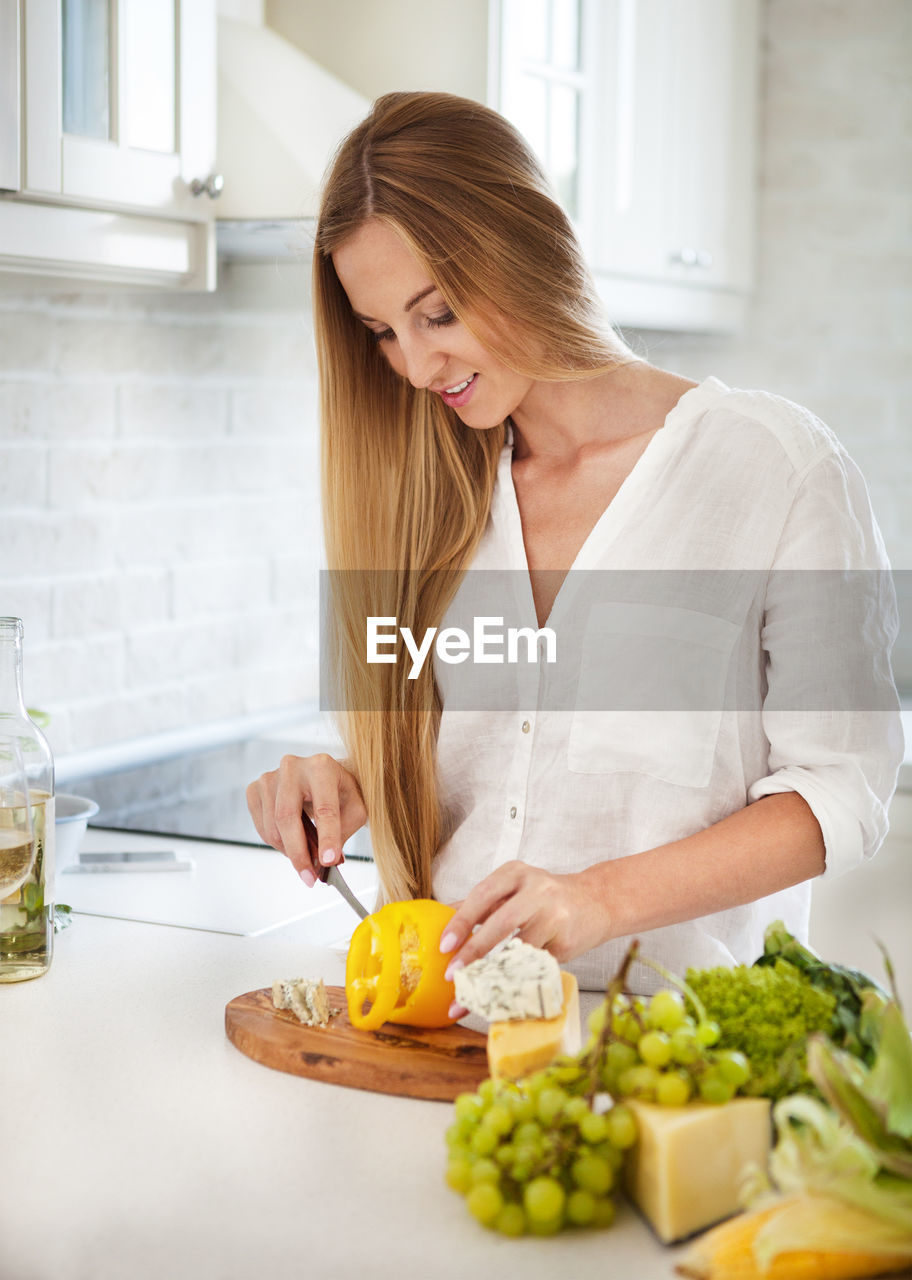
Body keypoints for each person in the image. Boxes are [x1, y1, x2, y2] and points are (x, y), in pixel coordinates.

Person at [246, 91, 903, 997]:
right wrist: (355, 780)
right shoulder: (434, 497)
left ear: (527, 243)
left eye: (436, 313)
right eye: (383, 333)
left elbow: (844, 790)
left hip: (680, 1056)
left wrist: (598, 899)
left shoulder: (775, 469)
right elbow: (485, 751)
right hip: (453, 1038)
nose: (417, 363)